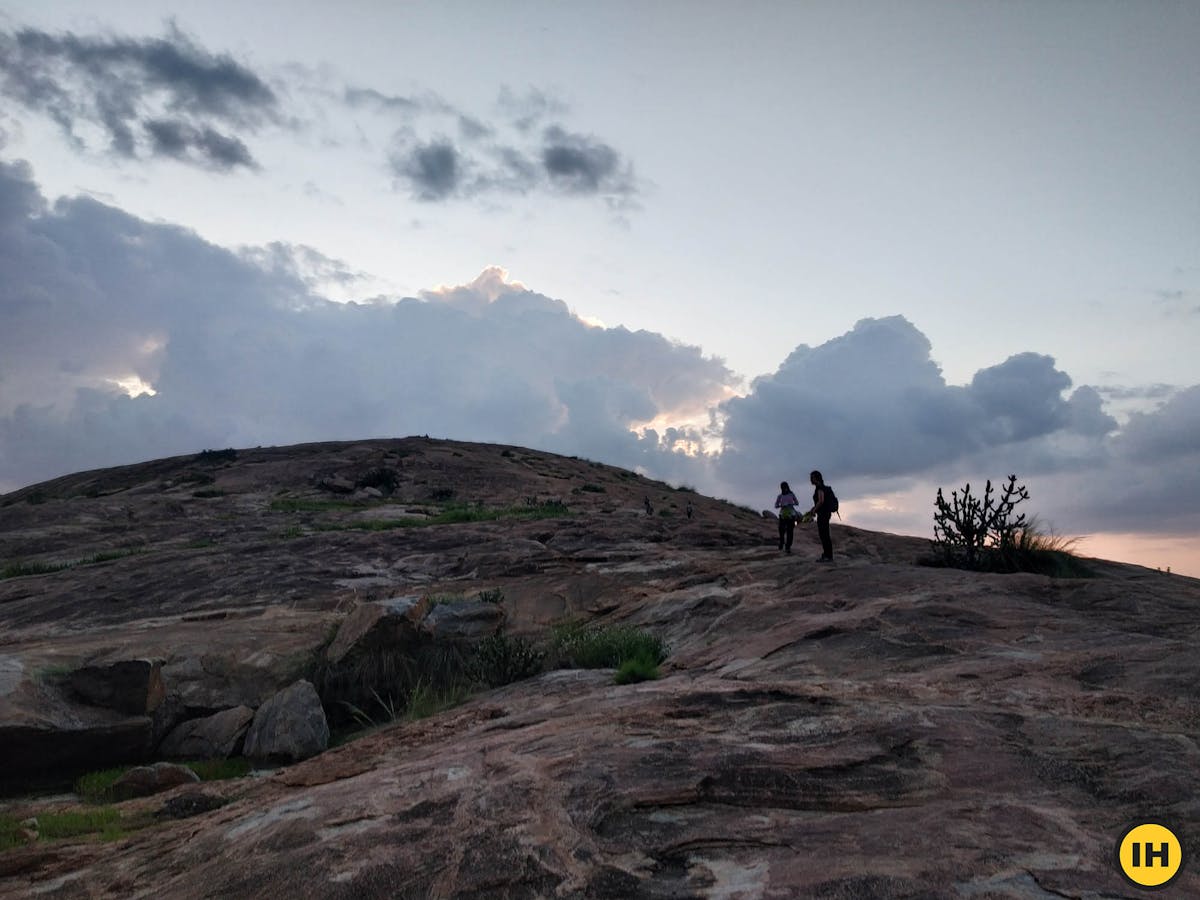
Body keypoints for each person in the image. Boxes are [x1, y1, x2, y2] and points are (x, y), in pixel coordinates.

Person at [808, 470, 833, 561]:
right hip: (825, 513)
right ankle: (827, 554)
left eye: (812, 478)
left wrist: (814, 510)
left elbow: (821, 501)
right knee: (824, 534)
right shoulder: (821, 487)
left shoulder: (820, 488)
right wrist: (813, 508)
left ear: (816, 478)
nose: (810, 480)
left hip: (823, 514)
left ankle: (828, 556)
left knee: (824, 535)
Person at [774, 481, 800, 554]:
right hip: (782, 514)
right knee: (781, 531)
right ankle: (781, 543)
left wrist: (790, 504)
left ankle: (788, 546)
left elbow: (797, 503)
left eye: (785, 487)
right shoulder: (780, 496)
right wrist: (781, 505)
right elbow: (776, 505)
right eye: (783, 488)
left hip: (791, 515)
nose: (784, 489)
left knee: (790, 531)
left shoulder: (791, 494)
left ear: (787, 487)